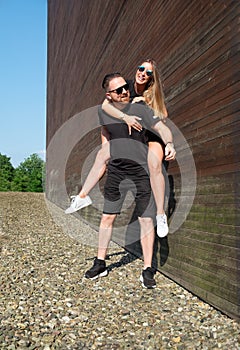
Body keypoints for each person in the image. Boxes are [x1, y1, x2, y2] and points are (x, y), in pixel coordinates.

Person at [84, 73, 175, 288]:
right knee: (107, 218)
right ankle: (100, 263)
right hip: (117, 172)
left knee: (145, 220)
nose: (125, 91)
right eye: (118, 90)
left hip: (141, 172)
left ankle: (147, 269)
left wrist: (169, 143)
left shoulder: (141, 109)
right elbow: (105, 136)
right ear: (109, 95)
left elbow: (162, 128)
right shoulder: (104, 112)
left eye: (125, 87)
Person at [65, 59, 173, 238]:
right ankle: (82, 196)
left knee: (154, 164)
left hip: (152, 134)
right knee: (102, 154)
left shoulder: (152, 94)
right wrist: (125, 116)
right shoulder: (126, 86)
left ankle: (160, 214)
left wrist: (145, 105)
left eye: (148, 73)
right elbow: (106, 106)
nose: (142, 74)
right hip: (132, 131)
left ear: (152, 78)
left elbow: (162, 120)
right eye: (141, 69)